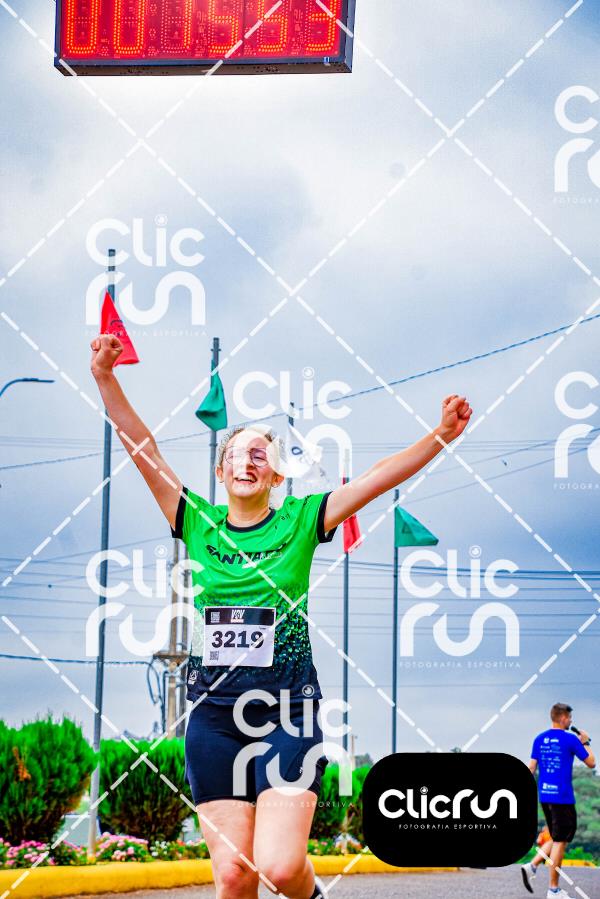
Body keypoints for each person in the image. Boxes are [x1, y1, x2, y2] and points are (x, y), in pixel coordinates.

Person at [90, 332, 472, 899]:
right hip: (215, 718)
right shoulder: (195, 521)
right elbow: (142, 446)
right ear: (220, 471)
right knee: (234, 874)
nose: (246, 461)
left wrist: (439, 435)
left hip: (288, 714)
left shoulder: (302, 520)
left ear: (275, 476)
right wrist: (105, 377)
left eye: (259, 456)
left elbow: (378, 477)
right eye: (235, 454)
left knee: (280, 867)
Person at [521, 703, 595, 899]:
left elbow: (531, 768)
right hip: (562, 798)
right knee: (561, 841)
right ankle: (553, 889)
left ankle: (532, 865)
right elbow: (591, 763)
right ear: (562, 718)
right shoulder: (571, 739)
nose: (571, 721)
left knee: (555, 837)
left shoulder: (539, 739)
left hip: (545, 796)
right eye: (569, 717)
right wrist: (586, 742)